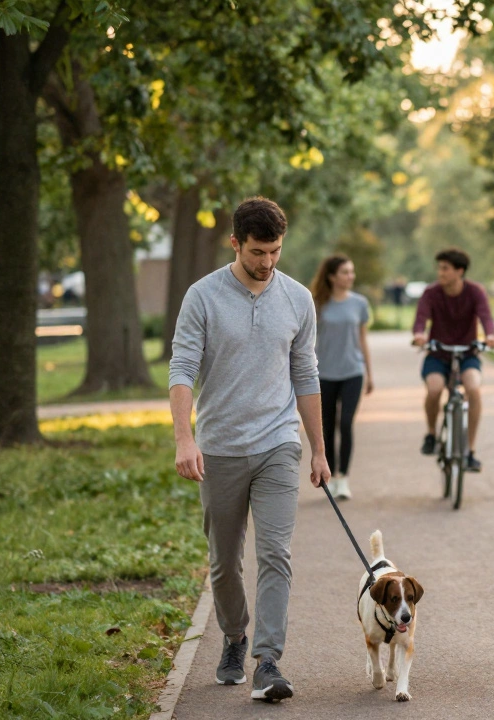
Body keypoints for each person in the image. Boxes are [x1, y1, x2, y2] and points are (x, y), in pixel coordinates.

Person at [168, 197, 329, 702]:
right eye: (258, 252)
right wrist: (184, 438)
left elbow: (305, 374)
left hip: (279, 442)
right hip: (218, 447)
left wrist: (319, 451)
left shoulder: (298, 298)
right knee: (223, 561)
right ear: (236, 243)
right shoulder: (203, 296)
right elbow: (181, 370)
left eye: (275, 251)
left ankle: (268, 661)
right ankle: (234, 635)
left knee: (276, 553)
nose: (267, 263)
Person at [412, 248, 494, 472]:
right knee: (434, 389)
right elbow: (421, 318)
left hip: (467, 354)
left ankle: (470, 451)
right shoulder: (431, 293)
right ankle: (431, 434)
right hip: (438, 354)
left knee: (473, 388)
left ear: (459, 271)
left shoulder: (475, 292)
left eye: (445, 268)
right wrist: (419, 335)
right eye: (439, 268)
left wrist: (490, 336)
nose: (440, 273)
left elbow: (486, 317)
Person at [310, 254, 374, 501]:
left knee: (345, 423)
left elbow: (363, 339)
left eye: (352, 272)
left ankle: (344, 478)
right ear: (332, 276)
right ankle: (331, 477)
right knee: (326, 426)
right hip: (323, 374)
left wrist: (369, 373)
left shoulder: (359, 303)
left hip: (352, 372)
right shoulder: (317, 304)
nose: (351, 276)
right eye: (345, 272)